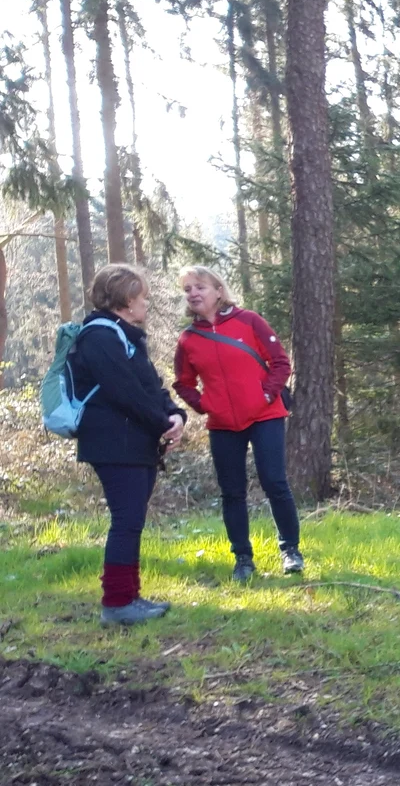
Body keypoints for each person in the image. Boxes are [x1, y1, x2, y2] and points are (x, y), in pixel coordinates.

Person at [68, 264, 188, 626]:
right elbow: (126, 393)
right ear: (124, 300)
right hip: (114, 443)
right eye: (142, 298)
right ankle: (118, 603)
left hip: (131, 441)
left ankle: (129, 597)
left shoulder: (126, 336)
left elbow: (151, 386)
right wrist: (161, 425)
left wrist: (174, 414)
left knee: (131, 520)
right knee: (126, 521)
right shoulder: (100, 337)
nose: (146, 305)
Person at [172, 266, 302, 582]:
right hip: (222, 424)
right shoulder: (189, 339)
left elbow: (280, 363)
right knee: (232, 492)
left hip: (264, 416)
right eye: (188, 289)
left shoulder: (250, 321)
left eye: (200, 286)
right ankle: (243, 559)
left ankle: (290, 551)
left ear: (219, 290)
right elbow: (183, 382)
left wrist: (267, 394)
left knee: (274, 482)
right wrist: (204, 405)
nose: (193, 294)